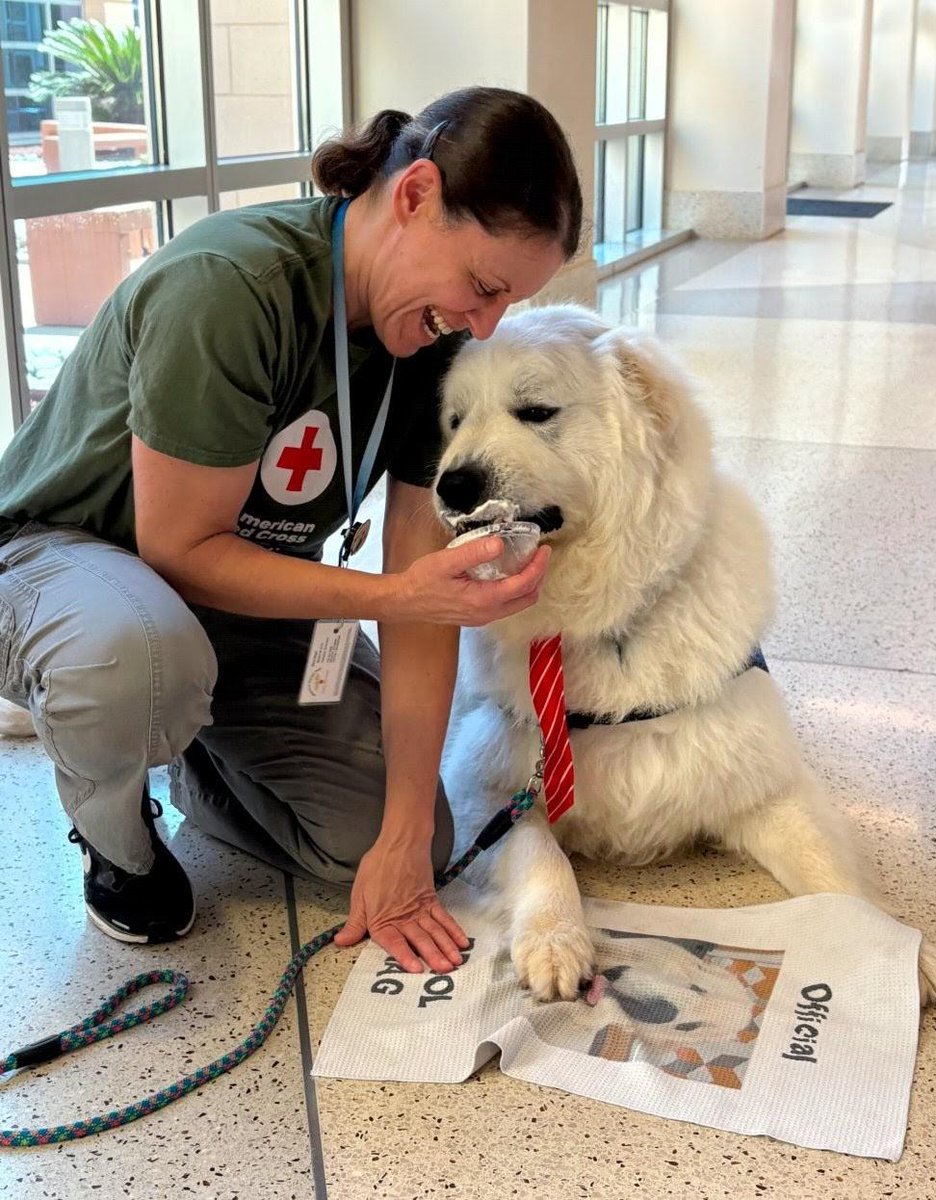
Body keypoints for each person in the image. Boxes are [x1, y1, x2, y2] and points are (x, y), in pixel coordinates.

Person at [0, 86, 582, 976]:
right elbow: (178, 551)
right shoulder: (231, 290)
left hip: (244, 596)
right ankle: (116, 836)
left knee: (408, 845)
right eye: (483, 285)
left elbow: (423, 596)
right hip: (68, 560)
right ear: (416, 195)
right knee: (135, 656)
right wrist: (391, 595)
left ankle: (193, 744)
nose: (483, 324)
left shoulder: (426, 347)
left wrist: (399, 837)